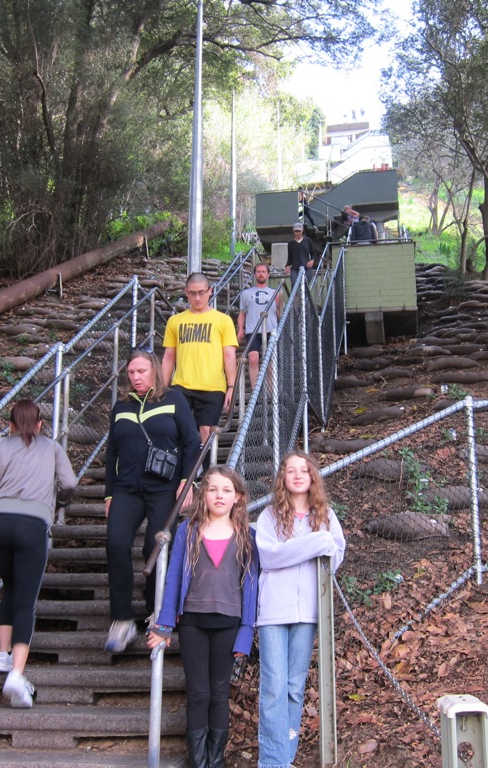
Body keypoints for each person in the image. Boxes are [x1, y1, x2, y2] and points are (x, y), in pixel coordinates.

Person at [147, 466, 258, 768]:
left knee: (220, 694)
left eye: (226, 490)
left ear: (237, 497)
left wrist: (246, 632)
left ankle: (216, 761)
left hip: (229, 625)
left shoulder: (248, 535)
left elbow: (251, 587)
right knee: (198, 693)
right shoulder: (188, 529)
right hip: (193, 623)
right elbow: (173, 579)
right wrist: (165, 625)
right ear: (202, 495)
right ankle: (198, 762)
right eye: (212, 489)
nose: (219, 495)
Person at [0, 399, 77, 708]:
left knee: (11, 586)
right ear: (41, 425)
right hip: (32, 524)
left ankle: (2, 655)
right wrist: (57, 503)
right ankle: (16, 675)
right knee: (26, 600)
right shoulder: (53, 448)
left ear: (11, 424)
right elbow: (69, 482)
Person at [103, 347, 201, 652]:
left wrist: (186, 481)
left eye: (141, 371)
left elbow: (191, 440)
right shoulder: (121, 405)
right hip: (126, 488)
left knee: (154, 547)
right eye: (131, 372)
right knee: (116, 542)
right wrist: (108, 492)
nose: (136, 377)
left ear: (155, 371)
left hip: (164, 487)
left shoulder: (173, 399)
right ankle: (121, 620)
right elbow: (112, 452)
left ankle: (153, 609)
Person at [255, 451, 346, 768]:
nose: (296, 475)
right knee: (273, 690)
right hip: (272, 614)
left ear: (312, 478)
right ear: (283, 478)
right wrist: (315, 542)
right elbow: (270, 558)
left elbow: (335, 556)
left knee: (294, 689)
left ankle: (285, 758)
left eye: (303, 470)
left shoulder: (326, 516)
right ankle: (271, 762)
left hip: (308, 612)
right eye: (290, 470)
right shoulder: (268, 517)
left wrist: (317, 542)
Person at [162, 272, 238, 449]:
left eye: (201, 292)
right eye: (192, 293)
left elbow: (229, 355)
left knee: (206, 429)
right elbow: (168, 357)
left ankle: (205, 472)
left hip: (212, 386)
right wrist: (162, 388)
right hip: (182, 384)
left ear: (210, 291)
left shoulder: (223, 320)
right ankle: (183, 470)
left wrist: (231, 386)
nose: (197, 298)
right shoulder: (175, 321)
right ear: (186, 292)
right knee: (177, 427)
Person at [237, 263, 281, 388]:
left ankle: (271, 391)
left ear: (268, 275)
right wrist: (241, 329)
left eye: (263, 271)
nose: (261, 274)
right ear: (255, 274)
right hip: (252, 330)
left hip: (271, 330)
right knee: (253, 358)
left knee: (270, 361)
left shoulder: (275, 293)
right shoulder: (246, 293)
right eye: (258, 271)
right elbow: (242, 313)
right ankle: (255, 392)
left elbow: (280, 313)